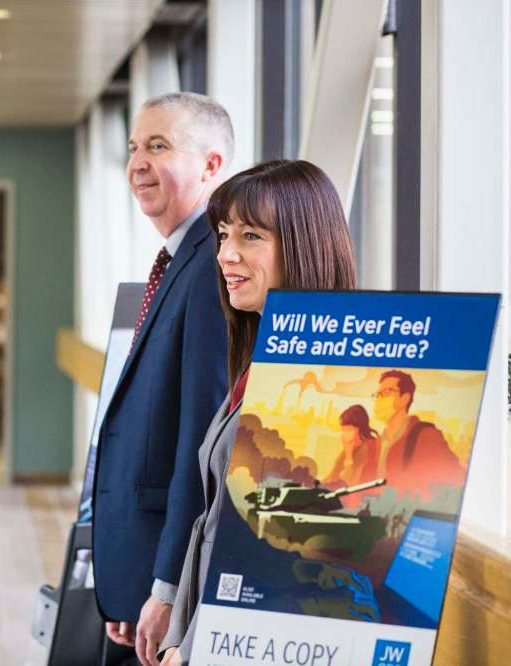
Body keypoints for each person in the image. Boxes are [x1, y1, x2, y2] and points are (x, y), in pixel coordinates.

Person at [159, 159, 357, 665]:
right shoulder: (261, 363)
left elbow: (263, 547)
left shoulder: (323, 383)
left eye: (250, 236)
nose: (226, 254)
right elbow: (216, 523)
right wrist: (180, 639)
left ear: (303, 244)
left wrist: (194, 645)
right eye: (224, 234)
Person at [93, 92, 231, 666]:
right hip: (141, 566)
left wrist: (167, 585)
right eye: (132, 148)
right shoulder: (178, 260)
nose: (137, 164)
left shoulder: (211, 269)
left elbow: (198, 436)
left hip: (165, 578)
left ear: (211, 166)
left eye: (158, 146)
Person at [372, 369, 465, 499]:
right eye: (377, 394)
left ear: (405, 399)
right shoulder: (377, 442)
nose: (379, 399)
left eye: (387, 392)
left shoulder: (427, 436)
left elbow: (457, 478)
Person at [324, 404, 381, 491]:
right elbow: (331, 477)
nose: (345, 435)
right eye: (343, 430)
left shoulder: (370, 449)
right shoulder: (349, 450)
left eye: (349, 429)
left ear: (361, 428)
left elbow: (348, 484)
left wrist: (349, 456)